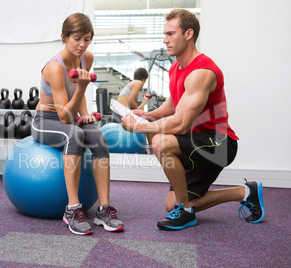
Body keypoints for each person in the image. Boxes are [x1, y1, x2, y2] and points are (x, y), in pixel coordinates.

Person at [121, 9, 264, 230]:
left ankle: (186, 212)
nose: (164, 39)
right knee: (172, 205)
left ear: (189, 34)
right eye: (164, 34)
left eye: (170, 33)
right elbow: (174, 101)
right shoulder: (177, 67)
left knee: (159, 140)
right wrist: (148, 115)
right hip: (195, 142)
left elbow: (180, 123)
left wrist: (139, 126)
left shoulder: (202, 71)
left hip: (219, 144)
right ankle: (245, 192)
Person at [31, 13, 124, 235]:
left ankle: (103, 209)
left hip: (69, 116)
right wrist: (82, 88)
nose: (82, 45)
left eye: (87, 39)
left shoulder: (86, 58)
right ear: (64, 37)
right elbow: (64, 117)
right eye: (77, 38)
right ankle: (72, 209)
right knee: (73, 135)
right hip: (45, 121)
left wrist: (86, 115)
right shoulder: (55, 67)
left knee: (99, 137)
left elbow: (76, 100)